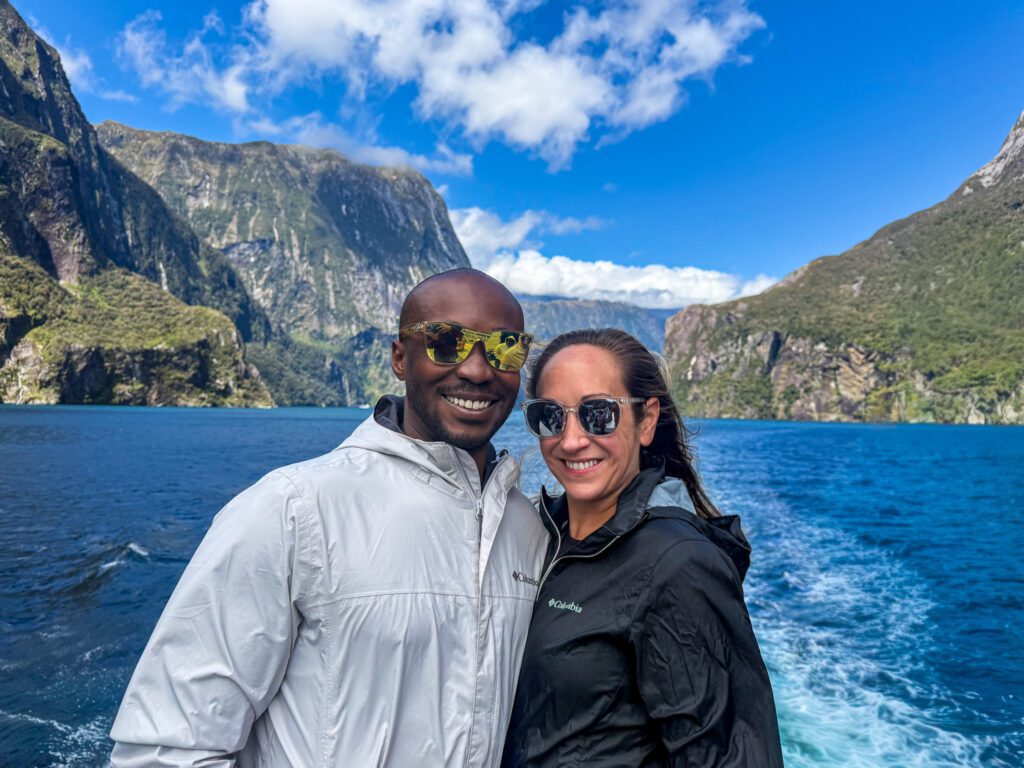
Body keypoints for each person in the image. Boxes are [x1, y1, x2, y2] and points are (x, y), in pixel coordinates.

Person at [110, 268, 549, 767]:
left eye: (505, 347)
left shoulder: (527, 528)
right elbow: (169, 746)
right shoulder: (294, 508)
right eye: (446, 343)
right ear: (400, 358)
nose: (477, 369)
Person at [502, 328, 784, 768]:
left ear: (646, 420)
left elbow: (729, 755)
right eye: (551, 416)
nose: (572, 440)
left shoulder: (678, 564)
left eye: (599, 415)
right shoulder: (538, 533)